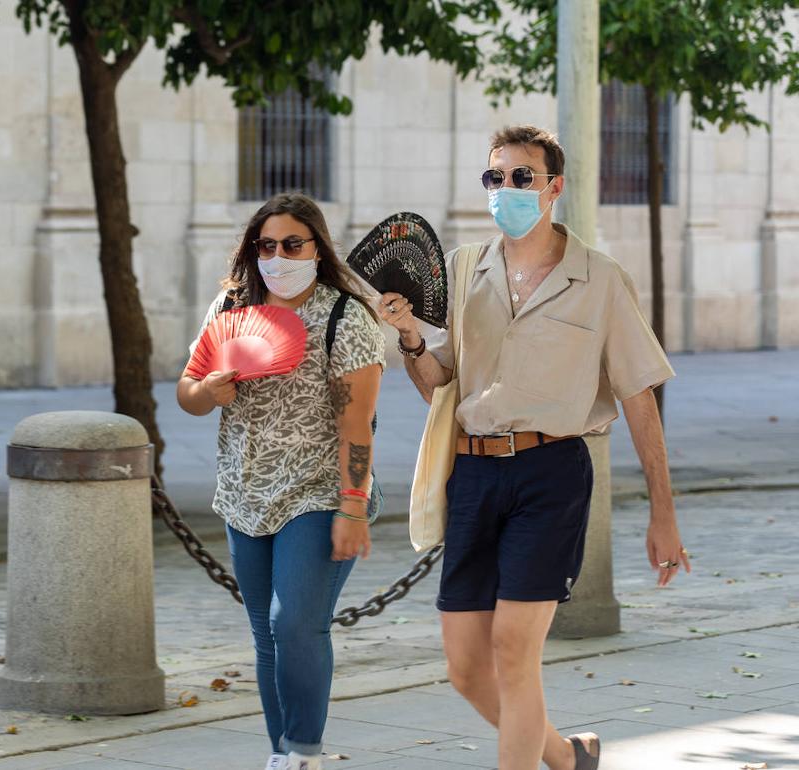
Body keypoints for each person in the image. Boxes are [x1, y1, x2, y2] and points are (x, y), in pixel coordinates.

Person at [378, 125, 689, 770]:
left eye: (523, 177)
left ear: (555, 187)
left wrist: (664, 513)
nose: (507, 190)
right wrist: (409, 335)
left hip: (551, 474)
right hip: (472, 472)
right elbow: (439, 379)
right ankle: (568, 756)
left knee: (516, 653)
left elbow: (638, 397)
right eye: (496, 178)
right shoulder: (467, 268)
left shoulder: (600, 279)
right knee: (466, 668)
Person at [177, 192, 386, 770]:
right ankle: (280, 755)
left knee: (293, 622)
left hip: (319, 491)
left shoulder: (346, 316)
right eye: (265, 245)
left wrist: (351, 506)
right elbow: (187, 391)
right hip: (244, 493)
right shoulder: (231, 306)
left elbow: (357, 424)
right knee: (266, 638)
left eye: (292, 243)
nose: (278, 255)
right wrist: (207, 390)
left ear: (317, 248)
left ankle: (304, 754)